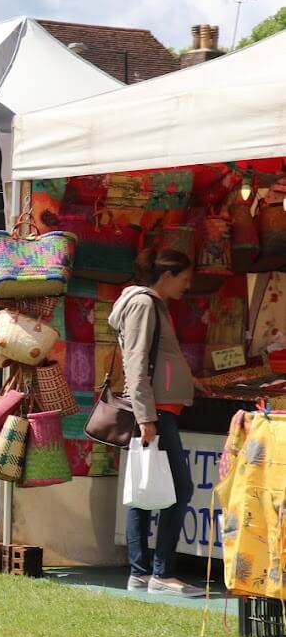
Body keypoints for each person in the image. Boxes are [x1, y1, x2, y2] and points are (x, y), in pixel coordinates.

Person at [110, 248, 201, 597]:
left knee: (147, 490)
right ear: (167, 274)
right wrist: (146, 416)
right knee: (177, 490)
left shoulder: (149, 304)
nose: (188, 285)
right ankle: (160, 573)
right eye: (184, 277)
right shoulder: (144, 304)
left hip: (160, 411)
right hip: (157, 413)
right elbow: (135, 361)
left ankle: (142, 573)